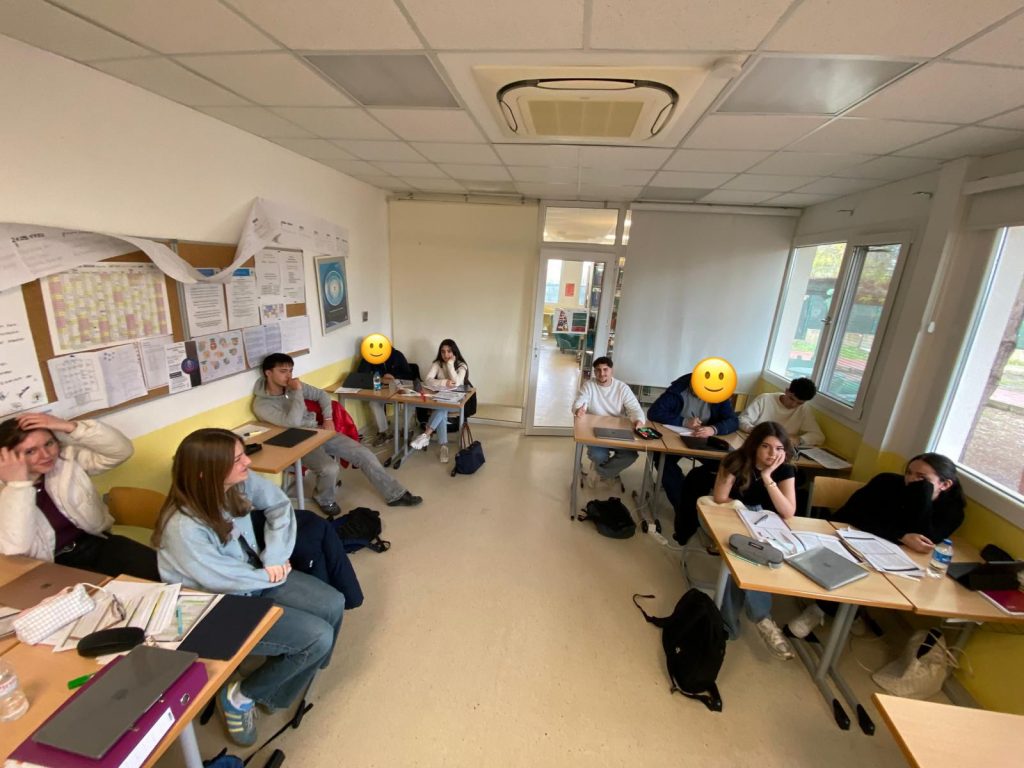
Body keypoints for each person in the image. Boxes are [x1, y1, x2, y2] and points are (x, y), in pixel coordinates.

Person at [153, 428, 344, 747]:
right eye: (237, 459)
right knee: (318, 637)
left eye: (244, 454)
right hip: (216, 607)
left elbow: (279, 505)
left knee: (333, 602)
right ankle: (240, 697)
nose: (248, 462)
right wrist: (270, 575)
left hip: (255, 577)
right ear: (206, 473)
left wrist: (275, 557)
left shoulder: (235, 481)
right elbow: (221, 578)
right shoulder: (183, 527)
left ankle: (296, 672)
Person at [787, 453, 966, 640]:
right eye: (909, 473)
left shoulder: (953, 511)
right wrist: (901, 535)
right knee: (849, 567)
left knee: (881, 578)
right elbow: (855, 514)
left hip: (887, 551)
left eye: (922, 478)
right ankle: (822, 610)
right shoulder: (886, 482)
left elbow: (925, 538)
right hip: (849, 534)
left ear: (945, 484)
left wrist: (923, 495)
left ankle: (847, 611)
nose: (911, 480)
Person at [253, 354, 421, 513]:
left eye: (290, 371)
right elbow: (293, 423)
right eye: (283, 371)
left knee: (364, 454)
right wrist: (297, 391)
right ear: (268, 373)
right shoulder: (262, 404)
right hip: (295, 441)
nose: (289, 376)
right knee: (329, 468)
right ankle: (324, 499)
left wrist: (328, 418)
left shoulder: (292, 386)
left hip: (318, 431)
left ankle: (394, 494)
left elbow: (322, 395)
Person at [0, 413, 158, 580]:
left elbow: (121, 451)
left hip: (96, 543)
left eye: (49, 443)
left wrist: (70, 427)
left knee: (166, 575)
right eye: (31, 451)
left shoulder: (64, 462)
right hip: (51, 566)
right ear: (6, 458)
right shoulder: (6, 491)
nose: (45, 455)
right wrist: (18, 486)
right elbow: (16, 546)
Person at [712, 422, 797, 660]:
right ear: (755, 446)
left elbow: (788, 511)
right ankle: (763, 620)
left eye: (779, 448)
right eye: (766, 447)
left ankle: (728, 623)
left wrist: (768, 477)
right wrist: (746, 510)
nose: (772, 454)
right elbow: (719, 498)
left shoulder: (785, 470)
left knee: (742, 561)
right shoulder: (735, 461)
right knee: (743, 556)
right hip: (730, 518)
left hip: (765, 530)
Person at [647, 371, 739, 544]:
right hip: (675, 438)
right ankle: (684, 508)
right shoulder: (678, 389)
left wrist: (713, 429)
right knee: (663, 462)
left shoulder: (718, 393)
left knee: (723, 466)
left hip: (704, 440)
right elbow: (654, 412)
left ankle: (698, 502)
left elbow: (733, 421)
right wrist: (684, 422)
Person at [571, 356, 645, 487]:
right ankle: (607, 472)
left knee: (630, 456)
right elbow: (580, 401)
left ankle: (599, 472)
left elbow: (634, 408)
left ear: (612, 370)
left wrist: (638, 420)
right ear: (594, 372)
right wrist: (579, 409)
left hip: (616, 431)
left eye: (605, 369)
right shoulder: (589, 385)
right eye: (598, 370)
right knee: (599, 455)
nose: (602, 373)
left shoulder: (622, 388)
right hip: (593, 431)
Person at [410, 339, 470, 464]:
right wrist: (443, 382)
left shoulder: (461, 365)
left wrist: (450, 364)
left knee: (442, 408)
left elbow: (457, 383)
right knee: (442, 409)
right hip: (441, 399)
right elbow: (427, 380)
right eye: (443, 352)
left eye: (449, 351)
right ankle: (443, 447)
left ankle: (426, 435)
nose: (446, 354)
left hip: (456, 401)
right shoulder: (437, 363)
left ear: (454, 352)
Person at [738, 377, 824, 447]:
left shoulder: (804, 409)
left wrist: (799, 439)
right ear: (787, 391)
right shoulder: (764, 399)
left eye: (799, 403)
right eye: (791, 399)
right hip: (756, 443)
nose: (793, 405)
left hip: (781, 449)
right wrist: (753, 430)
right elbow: (741, 420)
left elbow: (819, 436)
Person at [356, 341, 413, 444]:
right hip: (382, 389)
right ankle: (384, 432)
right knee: (374, 403)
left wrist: (394, 377)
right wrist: (367, 359)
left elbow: (409, 374)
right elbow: (361, 375)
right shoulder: (371, 357)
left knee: (410, 403)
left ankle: (405, 429)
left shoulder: (397, 355)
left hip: (399, 387)